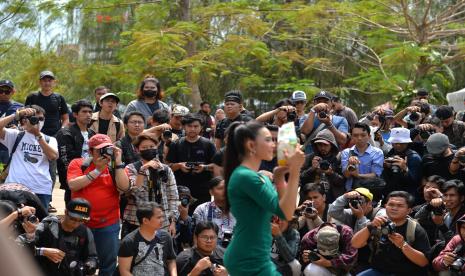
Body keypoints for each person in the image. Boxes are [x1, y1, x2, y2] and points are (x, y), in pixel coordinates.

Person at [222, 121, 305, 276]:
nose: (274, 145)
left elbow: (282, 212)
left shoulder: (259, 177)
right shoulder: (245, 177)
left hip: (257, 257)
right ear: (251, 146)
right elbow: (287, 213)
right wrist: (295, 171)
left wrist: (280, 176)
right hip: (247, 258)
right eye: (268, 140)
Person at [67, 134, 130, 276]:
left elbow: (124, 188)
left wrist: (118, 162)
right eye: (99, 150)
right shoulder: (79, 163)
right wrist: (97, 170)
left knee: (108, 264)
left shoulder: (115, 167)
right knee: (77, 262)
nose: (104, 153)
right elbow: (73, 185)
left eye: (107, 149)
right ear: (90, 151)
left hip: (107, 224)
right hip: (80, 224)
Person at [351, 191, 431, 275]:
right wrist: (369, 226)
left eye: (400, 206)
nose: (394, 208)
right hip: (378, 271)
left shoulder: (415, 229)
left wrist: (403, 245)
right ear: (385, 207)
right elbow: (355, 244)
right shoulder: (378, 222)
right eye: (391, 205)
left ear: (409, 210)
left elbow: (424, 262)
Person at [0, 106, 58, 210]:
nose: (37, 122)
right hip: (14, 188)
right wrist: (16, 114)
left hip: (41, 189)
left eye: (41, 119)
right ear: (26, 120)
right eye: (34, 118)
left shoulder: (50, 139)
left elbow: (53, 156)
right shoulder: (16, 135)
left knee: (39, 223)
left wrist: (37, 134)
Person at [123, 133, 179, 238]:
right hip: (136, 222)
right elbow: (133, 193)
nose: (149, 149)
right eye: (144, 147)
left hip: (162, 223)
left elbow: (173, 197)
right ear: (137, 150)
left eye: (152, 147)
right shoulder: (131, 168)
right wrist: (143, 170)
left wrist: (173, 222)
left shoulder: (165, 169)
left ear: (157, 147)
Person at [29, 198, 98, 276]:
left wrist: (90, 264)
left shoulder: (85, 232)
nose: (76, 223)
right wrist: (43, 251)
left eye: (81, 220)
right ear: (65, 212)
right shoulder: (47, 227)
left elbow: (92, 257)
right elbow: (21, 249)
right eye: (73, 219)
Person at [166, 113, 216, 210]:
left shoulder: (208, 144)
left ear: (201, 127)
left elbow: (217, 165)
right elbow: (167, 166)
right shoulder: (176, 144)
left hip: (203, 190)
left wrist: (204, 167)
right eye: (189, 126)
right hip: (180, 189)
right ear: (184, 127)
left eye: (196, 126)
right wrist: (179, 166)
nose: (192, 129)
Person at [118, 202, 177, 276]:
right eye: (158, 217)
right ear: (145, 221)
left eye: (162, 217)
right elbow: (124, 271)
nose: (162, 220)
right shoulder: (129, 242)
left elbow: (171, 260)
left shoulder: (166, 236)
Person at [56, 100, 95, 205]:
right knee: (73, 210)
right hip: (74, 177)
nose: (88, 115)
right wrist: (73, 177)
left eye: (90, 112)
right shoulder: (65, 132)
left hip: (91, 176)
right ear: (75, 114)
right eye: (84, 112)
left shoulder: (93, 134)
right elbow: (64, 159)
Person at [300, 129, 345, 202]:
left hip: (331, 198)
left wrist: (331, 173)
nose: (322, 148)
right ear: (315, 145)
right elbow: (300, 179)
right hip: (310, 198)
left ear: (332, 145)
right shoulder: (309, 158)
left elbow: (343, 181)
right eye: (319, 144)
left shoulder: (338, 159)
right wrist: (312, 169)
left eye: (325, 145)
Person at [341, 122, 384, 193]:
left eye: (363, 135)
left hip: (370, 191)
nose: (359, 138)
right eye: (355, 135)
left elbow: (375, 175)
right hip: (351, 192)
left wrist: (358, 175)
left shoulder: (377, 152)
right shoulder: (346, 152)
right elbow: (346, 175)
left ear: (369, 136)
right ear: (351, 137)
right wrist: (349, 164)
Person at [193, 177, 236, 247]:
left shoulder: (239, 209)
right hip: (210, 247)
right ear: (211, 192)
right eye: (220, 188)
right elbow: (196, 235)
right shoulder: (202, 209)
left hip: (235, 246)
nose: (225, 191)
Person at [24, 70, 69, 137]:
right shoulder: (32, 97)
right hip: (34, 134)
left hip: (55, 136)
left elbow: (65, 119)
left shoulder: (59, 98)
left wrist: (62, 130)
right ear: (40, 82)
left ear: (54, 82)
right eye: (44, 80)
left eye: (49, 81)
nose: (47, 83)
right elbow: (24, 116)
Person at [381, 127, 422, 197]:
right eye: (395, 142)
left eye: (402, 143)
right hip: (391, 194)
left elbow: (416, 182)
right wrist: (386, 168)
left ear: (407, 142)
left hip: (407, 196)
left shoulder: (414, 157)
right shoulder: (390, 153)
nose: (398, 145)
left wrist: (405, 169)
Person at [0, 79, 23, 164]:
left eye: (7, 91)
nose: (3, 93)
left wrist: (18, 128)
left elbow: (25, 126)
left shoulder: (19, 107)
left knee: (8, 175)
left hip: (10, 147)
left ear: (13, 91)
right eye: (1, 91)